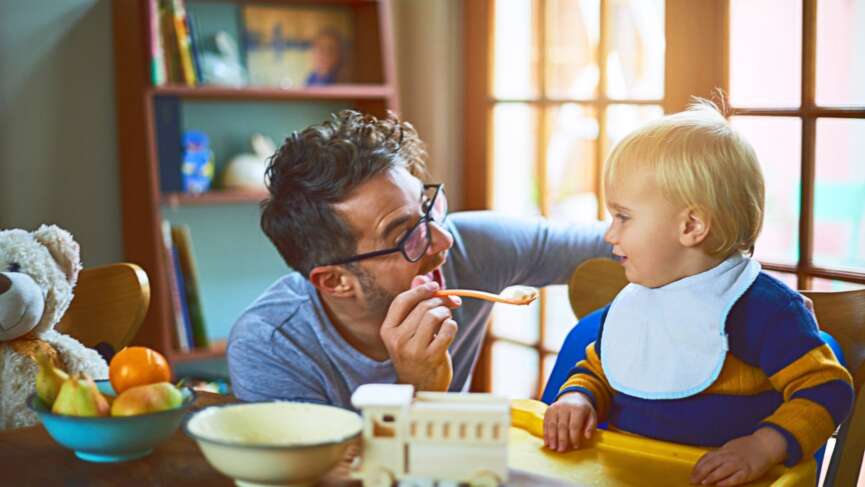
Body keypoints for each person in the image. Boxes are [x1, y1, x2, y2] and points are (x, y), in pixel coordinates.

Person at [542, 100, 854, 486]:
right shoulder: (636, 298)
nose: (610, 234)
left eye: (623, 216)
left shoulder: (763, 311)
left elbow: (828, 389)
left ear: (691, 225)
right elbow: (601, 368)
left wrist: (762, 446)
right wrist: (578, 398)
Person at [227, 110, 612, 410]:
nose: (443, 240)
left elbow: (619, 242)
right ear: (335, 281)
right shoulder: (271, 347)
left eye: (429, 207)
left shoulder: (474, 246)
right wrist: (421, 389)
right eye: (405, 234)